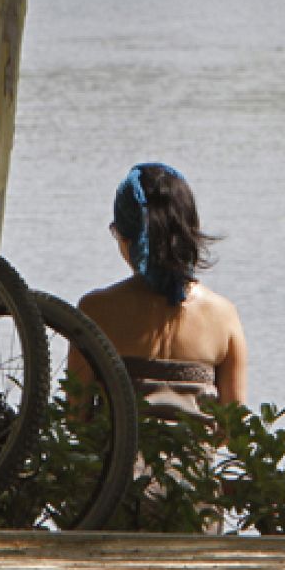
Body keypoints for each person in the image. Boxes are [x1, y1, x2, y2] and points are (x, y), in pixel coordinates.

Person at [73, 163, 247, 418]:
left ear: (127, 239)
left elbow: (76, 414)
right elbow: (233, 428)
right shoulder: (224, 316)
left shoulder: (95, 311)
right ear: (191, 231)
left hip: (117, 459)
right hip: (192, 458)